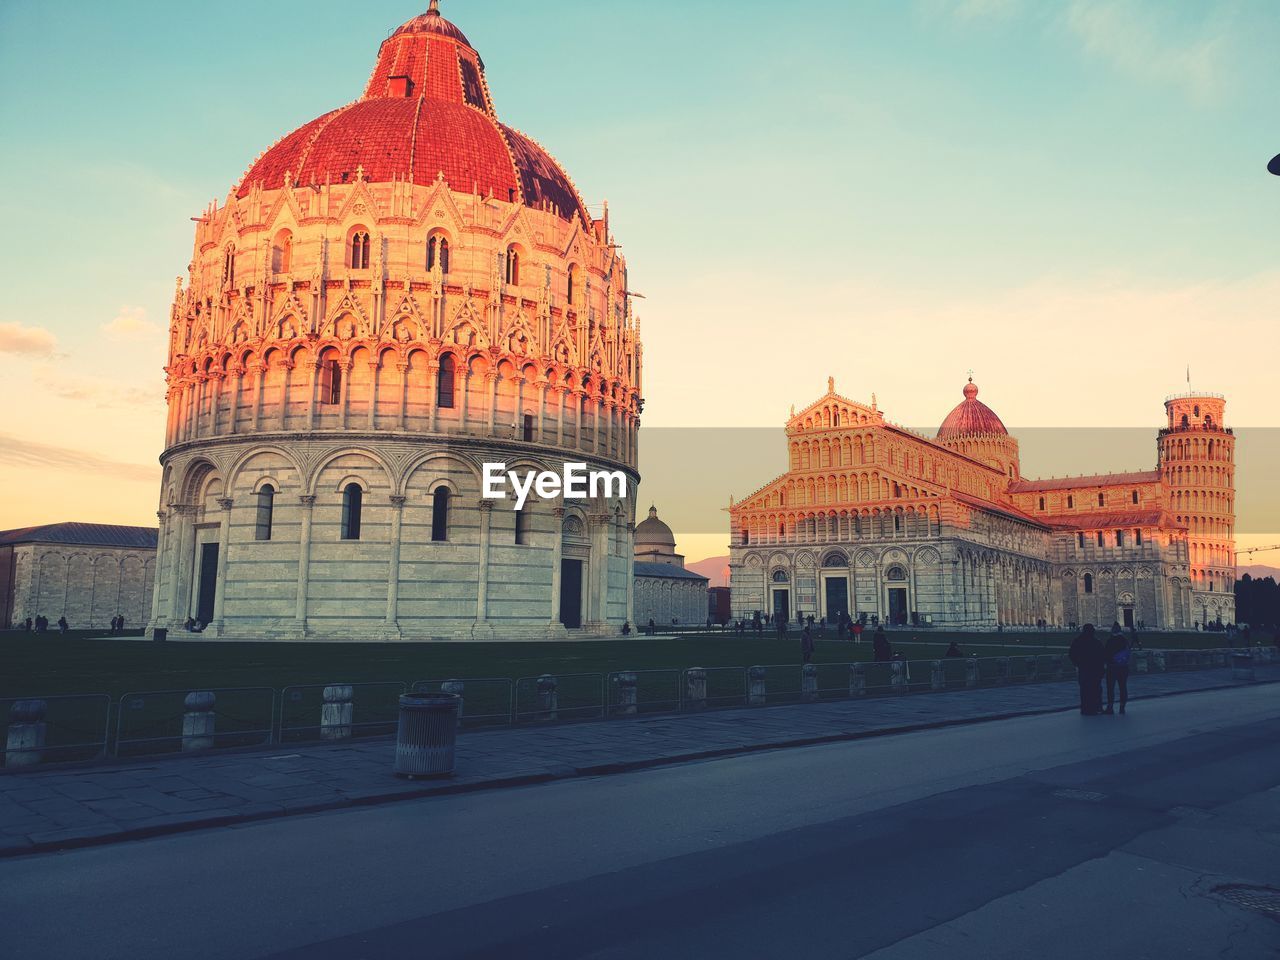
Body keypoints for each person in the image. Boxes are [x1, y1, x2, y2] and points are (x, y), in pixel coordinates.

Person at [1068, 623, 1106, 715]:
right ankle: (1096, 707)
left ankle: (1086, 708)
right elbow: (1102, 657)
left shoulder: (1077, 641)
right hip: (1093, 669)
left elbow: (1072, 654)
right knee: (1095, 689)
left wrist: (1077, 663)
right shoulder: (1096, 642)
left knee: (1086, 689)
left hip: (1085, 668)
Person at [1104, 624, 1131, 715]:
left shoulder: (1110, 640)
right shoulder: (1124, 640)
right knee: (1123, 687)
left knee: (1110, 687)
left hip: (1112, 666)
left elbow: (1106, 653)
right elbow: (1128, 652)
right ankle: (1122, 707)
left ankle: (1110, 707)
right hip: (1123, 666)